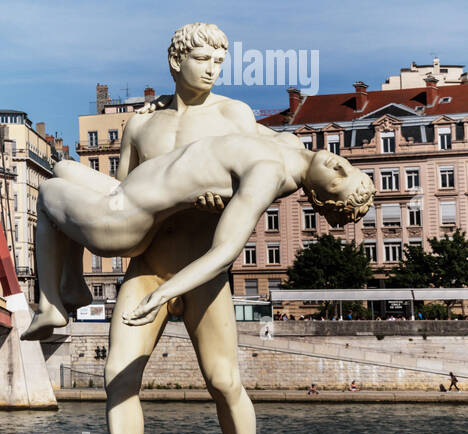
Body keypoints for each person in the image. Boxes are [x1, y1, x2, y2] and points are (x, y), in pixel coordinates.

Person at [85, 22, 330, 434]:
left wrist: (225, 201)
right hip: (149, 264)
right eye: (203, 59)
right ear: (176, 62)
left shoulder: (234, 115)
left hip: (205, 269)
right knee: (118, 378)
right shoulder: (138, 129)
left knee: (223, 382)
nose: (213, 69)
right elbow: (121, 197)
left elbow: (279, 170)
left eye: (220, 61)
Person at [23, 132, 373, 337]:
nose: (339, 165)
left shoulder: (269, 175)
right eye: (350, 169)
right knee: (63, 167)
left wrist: (163, 293)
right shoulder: (291, 142)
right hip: (121, 191)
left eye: (339, 181)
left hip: (123, 219)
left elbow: (224, 252)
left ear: (317, 197)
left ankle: (51, 304)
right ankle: (73, 286)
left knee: (48, 193)